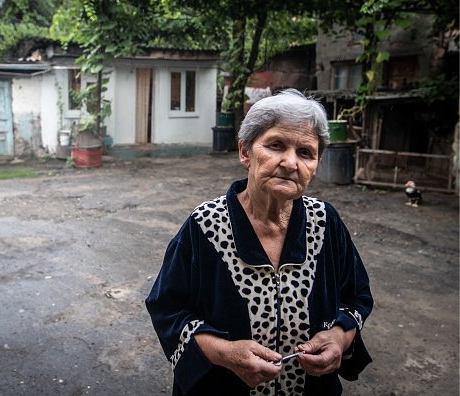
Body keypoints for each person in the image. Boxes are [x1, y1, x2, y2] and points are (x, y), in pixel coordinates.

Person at [145, 89, 373, 396]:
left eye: (306, 152)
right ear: (245, 152)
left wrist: (339, 337)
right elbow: (167, 308)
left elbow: (357, 296)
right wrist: (225, 352)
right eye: (276, 145)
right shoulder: (206, 225)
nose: (291, 162)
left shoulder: (325, 222)